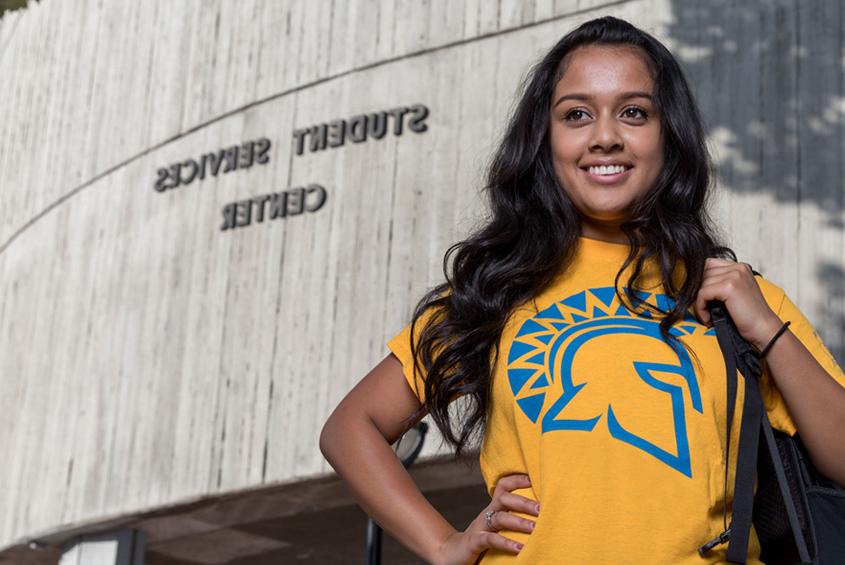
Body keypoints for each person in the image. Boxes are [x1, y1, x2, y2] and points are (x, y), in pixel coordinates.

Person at [319, 16, 845, 564]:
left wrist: (767, 330)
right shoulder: (497, 290)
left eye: (634, 112)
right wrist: (443, 543)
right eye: (576, 114)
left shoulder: (736, 297)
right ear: (546, 141)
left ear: (669, 135)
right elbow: (350, 428)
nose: (605, 136)